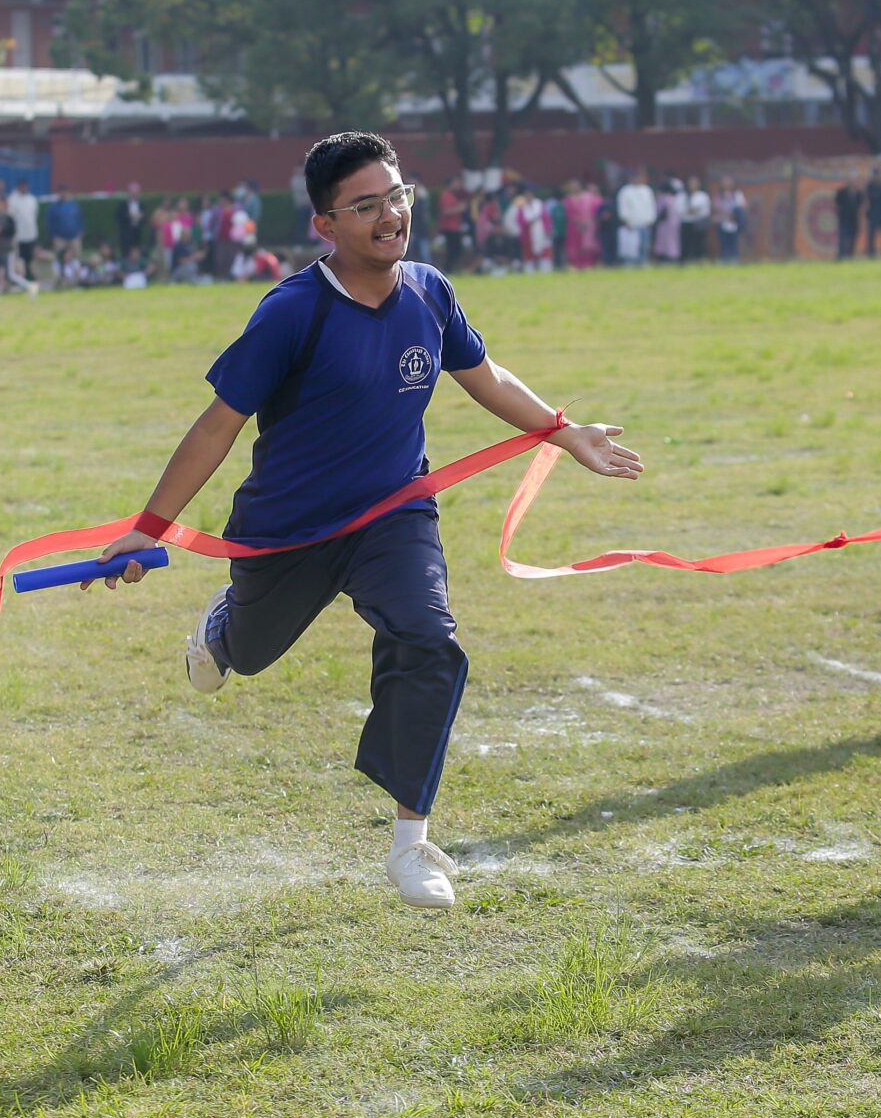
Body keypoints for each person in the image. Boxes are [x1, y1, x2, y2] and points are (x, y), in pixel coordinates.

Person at [88, 131, 643, 909]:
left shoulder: (429, 292)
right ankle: (221, 629)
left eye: (397, 195)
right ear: (326, 223)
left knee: (429, 639)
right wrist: (149, 528)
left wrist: (563, 429)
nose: (391, 215)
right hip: (289, 529)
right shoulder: (292, 313)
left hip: (393, 513)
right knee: (250, 653)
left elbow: (485, 374)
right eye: (366, 205)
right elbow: (216, 426)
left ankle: (411, 844)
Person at [565, 179, 603, 271]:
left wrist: (586, 221)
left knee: (587, 245)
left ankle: (588, 263)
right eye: (572, 186)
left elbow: (594, 210)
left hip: (588, 225)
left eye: (576, 185)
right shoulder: (569, 199)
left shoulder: (588, 198)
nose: (574, 188)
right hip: (573, 226)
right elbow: (568, 213)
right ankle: (575, 264)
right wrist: (578, 221)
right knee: (574, 245)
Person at [684, 178, 713, 262]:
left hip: (701, 221)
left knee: (700, 241)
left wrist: (692, 210)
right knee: (690, 241)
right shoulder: (686, 195)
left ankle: (700, 258)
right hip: (689, 222)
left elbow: (699, 209)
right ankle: (691, 258)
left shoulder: (702, 196)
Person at [834, 179, 862, 260]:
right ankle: (841, 256)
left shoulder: (858, 193)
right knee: (843, 238)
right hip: (844, 219)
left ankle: (850, 256)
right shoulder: (841, 192)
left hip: (854, 219)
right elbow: (837, 204)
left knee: (853, 238)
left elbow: (861, 205)